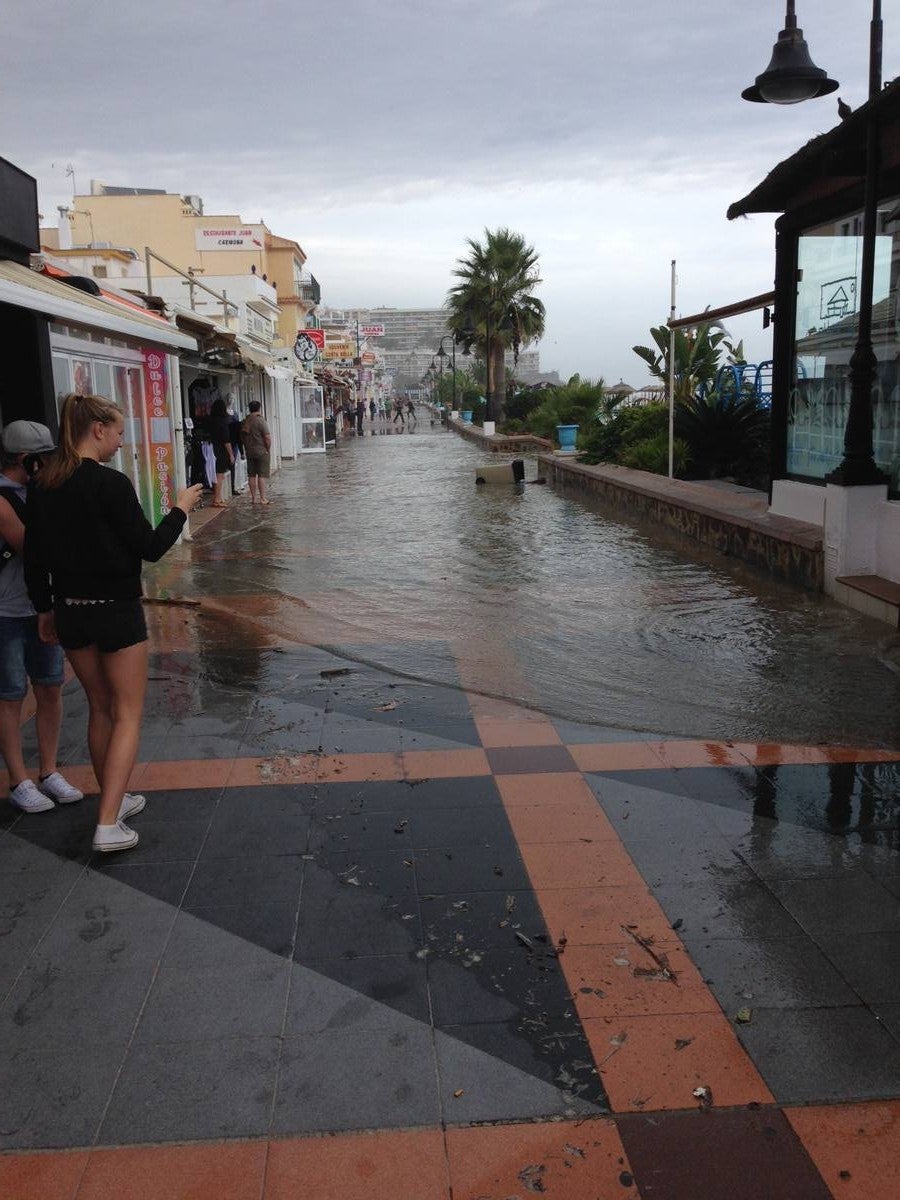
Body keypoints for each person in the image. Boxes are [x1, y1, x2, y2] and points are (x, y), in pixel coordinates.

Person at [24, 393, 203, 853]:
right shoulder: (111, 484)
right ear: (97, 430)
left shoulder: (43, 485)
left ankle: (115, 801)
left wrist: (45, 608)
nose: (122, 441)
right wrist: (181, 507)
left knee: (100, 706)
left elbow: (34, 557)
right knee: (126, 713)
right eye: (119, 432)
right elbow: (150, 547)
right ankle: (107, 824)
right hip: (116, 612)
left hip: (71, 612)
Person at [0, 421, 82, 813]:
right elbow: (35, 548)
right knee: (11, 696)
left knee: (50, 688)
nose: (52, 464)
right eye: (46, 458)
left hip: (41, 606)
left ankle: (49, 771)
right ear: (26, 460)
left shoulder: (40, 493)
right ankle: (19, 780)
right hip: (6, 612)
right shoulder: (3, 499)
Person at [241, 400, 272, 505]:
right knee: (262, 475)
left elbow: (242, 436)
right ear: (259, 408)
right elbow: (267, 437)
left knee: (251, 475)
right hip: (261, 451)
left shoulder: (246, 420)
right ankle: (263, 498)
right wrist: (268, 449)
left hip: (249, 451)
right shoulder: (260, 420)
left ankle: (254, 498)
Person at [208, 396, 233, 507]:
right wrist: (231, 454)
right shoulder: (223, 422)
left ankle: (216, 497)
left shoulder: (209, 420)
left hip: (210, 449)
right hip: (220, 451)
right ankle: (217, 499)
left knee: (214, 474)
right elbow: (226, 440)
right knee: (219, 475)